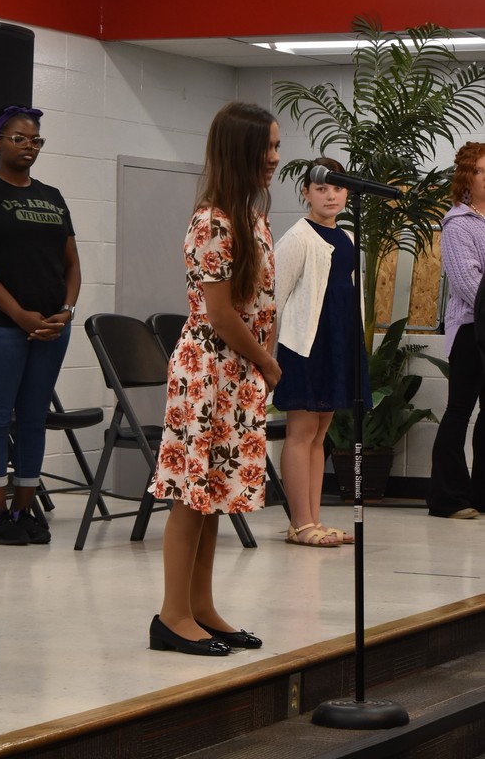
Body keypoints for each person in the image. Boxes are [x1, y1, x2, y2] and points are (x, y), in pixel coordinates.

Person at [148, 102, 281, 656]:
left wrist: (264, 358)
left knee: (215, 495)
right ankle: (171, 614)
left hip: (240, 369)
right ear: (241, 152)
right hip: (207, 369)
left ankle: (202, 607)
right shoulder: (213, 220)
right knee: (189, 493)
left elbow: (263, 305)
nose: (276, 158)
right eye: (268, 148)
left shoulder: (252, 216)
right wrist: (269, 363)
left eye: (277, 146)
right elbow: (222, 314)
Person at [0, 104, 81, 545]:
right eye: (19, 138)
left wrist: (66, 311)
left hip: (51, 325)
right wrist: (18, 314)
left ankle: (27, 510)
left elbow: (72, 264)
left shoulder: (52, 196)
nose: (29, 146)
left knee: (33, 417)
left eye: (36, 140)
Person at [273, 157, 371, 547]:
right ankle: (300, 523)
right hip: (305, 345)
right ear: (305, 193)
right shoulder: (299, 237)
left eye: (337, 187)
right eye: (321, 188)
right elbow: (273, 298)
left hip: (336, 342)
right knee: (301, 431)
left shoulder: (345, 236)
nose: (331, 195)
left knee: (320, 433)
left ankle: (312, 519)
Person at [427, 142, 485, 519]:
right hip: (470, 331)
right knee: (460, 410)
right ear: (467, 178)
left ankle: (480, 494)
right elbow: (468, 282)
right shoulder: (458, 224)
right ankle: (448, 497)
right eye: (483, 171)